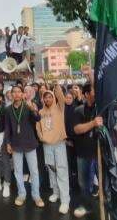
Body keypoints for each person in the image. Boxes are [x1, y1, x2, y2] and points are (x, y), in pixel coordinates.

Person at [4, 85, 44, 208]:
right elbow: (7, 128)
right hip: (16, 144)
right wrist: (8, 143)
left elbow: (38, 118)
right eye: (14, 92)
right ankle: (21, 194)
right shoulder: (8, 109)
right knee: (18, 172)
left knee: (34, 171)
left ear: (22, 94)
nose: (16, 94)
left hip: (30, 143)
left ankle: (36, 195)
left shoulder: (28, 106)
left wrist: (33, 109)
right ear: (11, 95)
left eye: (18, 92)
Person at [36, 84, 70, 214]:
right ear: (43, 99)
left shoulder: (59, 107)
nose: (48, 99)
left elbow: (61, 97)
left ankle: (65, 200)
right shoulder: (40, 112)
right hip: (47, 145)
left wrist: (56, 87)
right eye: (46, 98)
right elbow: (38, 127)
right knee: (51, 170)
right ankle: (56, 192)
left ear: (53, 98)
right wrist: (41, 137)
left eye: (50, 97)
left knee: (61, 171)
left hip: (59, 144)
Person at [71, 83, 103, 218]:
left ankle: (108, 204)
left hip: (101, 152)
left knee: (105, 180)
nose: (96, 93)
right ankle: (86, 205)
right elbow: (77, 129)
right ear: (86, 94)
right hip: (83, 152)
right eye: (93, 91)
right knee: (84, 182)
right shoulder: (79, 110)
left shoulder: (102, 108)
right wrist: (93, 123)